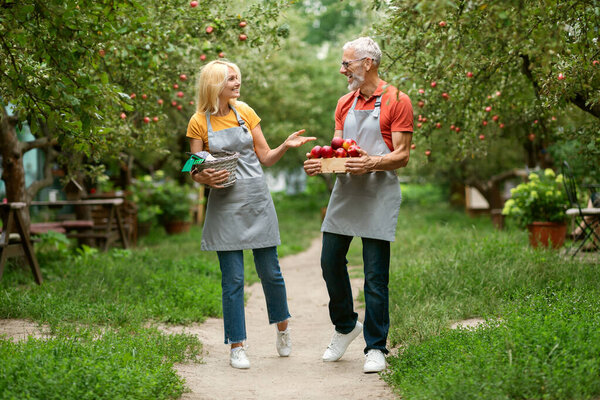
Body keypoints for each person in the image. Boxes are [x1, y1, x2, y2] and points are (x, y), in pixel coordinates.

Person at [187, 60, 315, 369]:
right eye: (230, 79)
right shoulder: (198, 121)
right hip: (224, 203)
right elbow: (191, 167)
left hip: (257, 199)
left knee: (270, 272)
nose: (236, 82)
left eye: (237, 78)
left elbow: (266, 158)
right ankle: (237, 346)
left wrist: (285, 144)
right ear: (215, 84)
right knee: (233, 279)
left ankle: (282, 328)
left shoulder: (245, 112)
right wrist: (204, 178)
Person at [304, 37, 413, 373]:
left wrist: (372, 163)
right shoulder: (344, 103)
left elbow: (402, 155)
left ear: (367, 63)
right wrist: (319, 164)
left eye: (346, 63)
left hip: (379, 193)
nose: (342, 69)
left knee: (375, 276)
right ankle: (345, 324)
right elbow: (340, 151)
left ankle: (376, 347)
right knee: (329, 260)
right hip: (347, 192)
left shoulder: (397, 100)